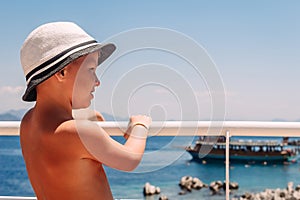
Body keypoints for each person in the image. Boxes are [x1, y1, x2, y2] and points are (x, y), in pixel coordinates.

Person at [19, 21, 152, 200]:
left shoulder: (27, 122)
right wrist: (139, 126)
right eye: (91, 69)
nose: (97, 81)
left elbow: (60, 147)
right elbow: (129, 160)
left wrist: (83, 118)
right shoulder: (80, 132)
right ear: (62, 73)